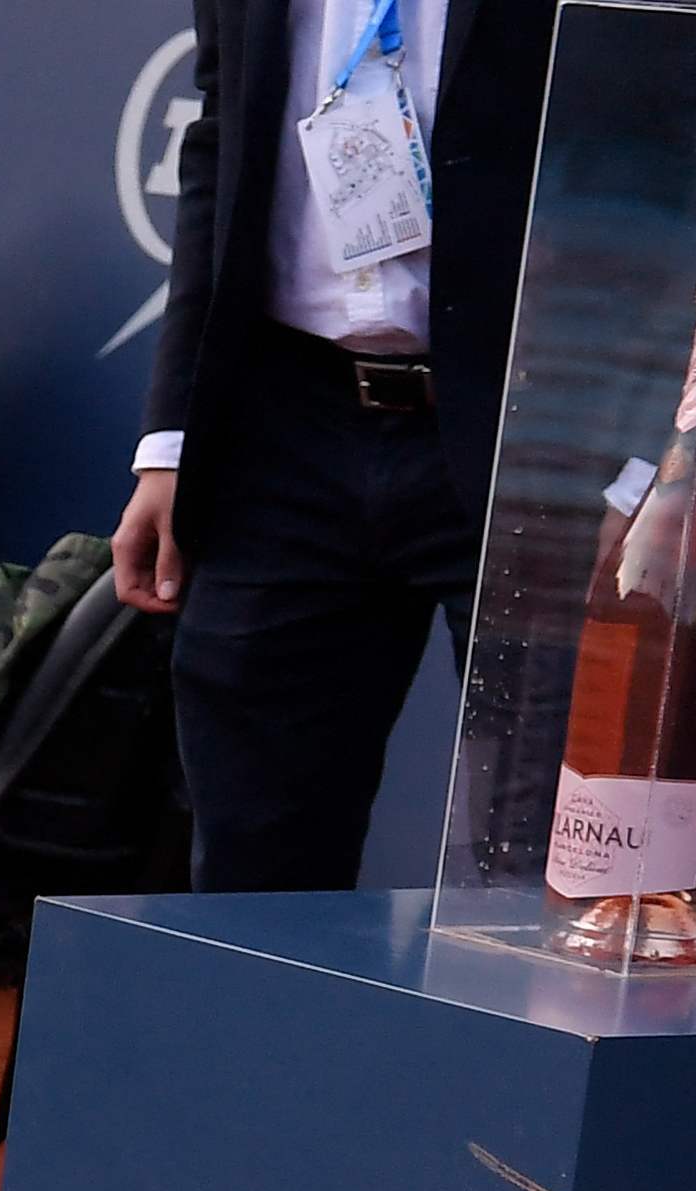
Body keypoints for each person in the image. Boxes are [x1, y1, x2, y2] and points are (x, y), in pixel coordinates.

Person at [113, 0, 551, 889]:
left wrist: (643, 444)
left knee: (544, 868)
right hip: (282, 430)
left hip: (538, 428)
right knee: (253, 869)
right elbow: (223, 136)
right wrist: (173, 437)